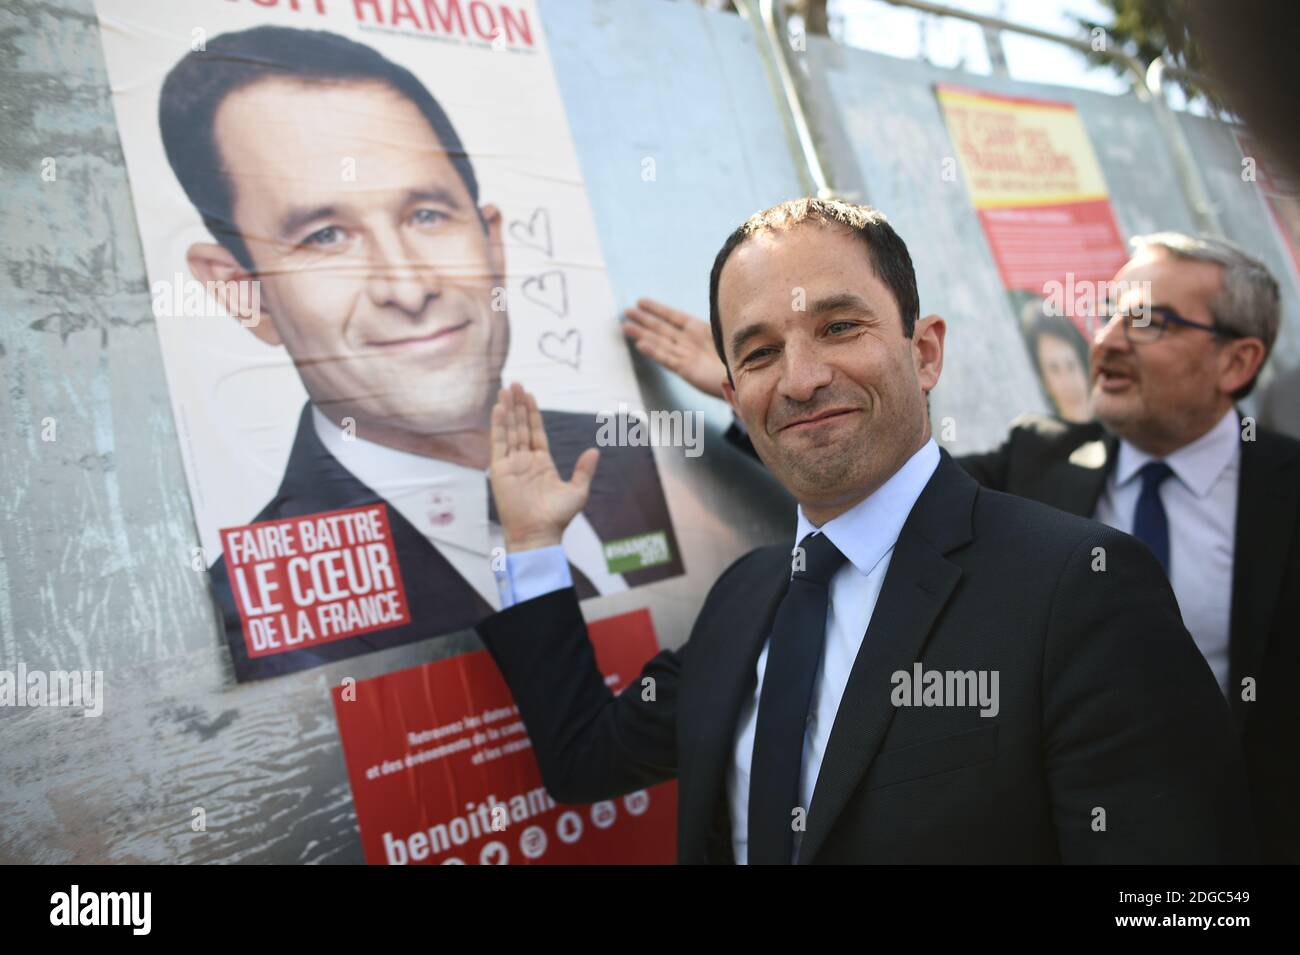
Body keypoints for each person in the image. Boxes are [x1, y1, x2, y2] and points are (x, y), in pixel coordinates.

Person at [477, 198, 1253, 864]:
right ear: (735, 392)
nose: (802, 377)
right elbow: (584, 757)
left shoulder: (1082, 589)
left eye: (840, 326)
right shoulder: (742, 601)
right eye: (759, 352)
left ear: (924, 353)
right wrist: (536, 546)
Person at [158, 26, 682, 681]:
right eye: (325, 236)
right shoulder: (256, 611)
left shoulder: (625, 453)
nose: (407, 287)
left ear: (492, 243)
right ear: (244, 295)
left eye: (427, 216)